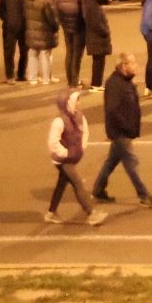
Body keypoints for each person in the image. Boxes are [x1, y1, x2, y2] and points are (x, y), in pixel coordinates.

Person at [91, 53, 152, 207]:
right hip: (121, 132)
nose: (136, 66)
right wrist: (127, 127)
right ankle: (144, 195)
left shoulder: (124, 82)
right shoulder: (116, 84)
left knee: (111, 161)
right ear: (123, 66)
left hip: (124, 130)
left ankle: (98, 190)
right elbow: (112, 110)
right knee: (131, 163)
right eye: (133, 64)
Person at [44, 91, 107, 225]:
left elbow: (85, 132)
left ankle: (51, 213)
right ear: (67, 103)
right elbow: (53, 143)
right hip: (62, 160)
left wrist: (81, 148)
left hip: (72, 157)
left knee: (61, 184)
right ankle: (91, 213)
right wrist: (66, 153)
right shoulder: (59, 121)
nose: (79, 103)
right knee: (77, 183)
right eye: (76, 100)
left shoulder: (79, 117)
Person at [23, 0, 60, 86]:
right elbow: (51, 18)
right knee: (45, 55)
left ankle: (32, 78)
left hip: (31, 30)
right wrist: (56, 27)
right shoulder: (46, 0)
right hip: (45, 31)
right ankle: (46, 78)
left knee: (33, 52)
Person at [0, 0, 28, 82]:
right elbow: (0, 10)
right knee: (9, 52)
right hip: (9, 28)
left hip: (24, 28)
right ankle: (10, 75)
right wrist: (7, 19)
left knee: (24, 52)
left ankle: (21, 74)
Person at [81, 0, 113, 89]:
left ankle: (96, 82)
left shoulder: (89, 3)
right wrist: (105, 31)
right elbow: (96, 24)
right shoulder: (92, 6)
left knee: (98, 61)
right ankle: (96, 83)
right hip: (97, 38)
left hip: (94, 38)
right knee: (99, 62)